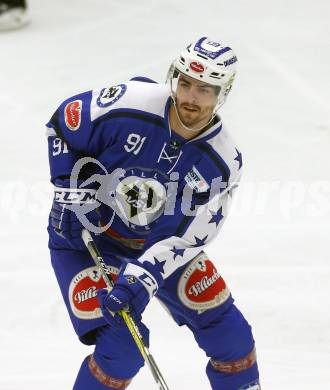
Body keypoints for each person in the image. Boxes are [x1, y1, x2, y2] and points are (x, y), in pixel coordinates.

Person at [46, 37, 261, 389]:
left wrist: (142, 276)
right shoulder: (130, 103)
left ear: (224, 92)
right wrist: (69, 190)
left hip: (159, 248)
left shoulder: (223, 161)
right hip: (86, 237)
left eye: (205, 90)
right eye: (185, 82)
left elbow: (191, 236)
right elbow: (61, 125)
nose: (191, 97)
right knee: (124, 349)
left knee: (232, 338)